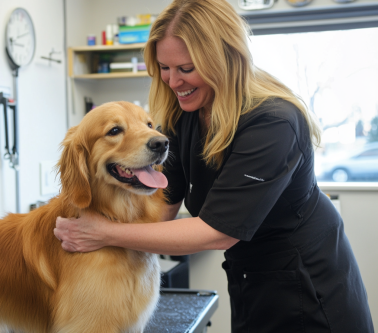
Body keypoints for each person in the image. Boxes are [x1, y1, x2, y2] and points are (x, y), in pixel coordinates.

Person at [54, 0, 374, 332]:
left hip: (310, 285)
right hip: (248, 278)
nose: (173, 81)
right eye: (165, 67)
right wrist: (85, 223)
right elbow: (162, 202)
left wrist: (105, 233)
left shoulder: (275, 121)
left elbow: (216, 232)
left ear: (225, 59)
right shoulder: (185, 115)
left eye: (186, 68)